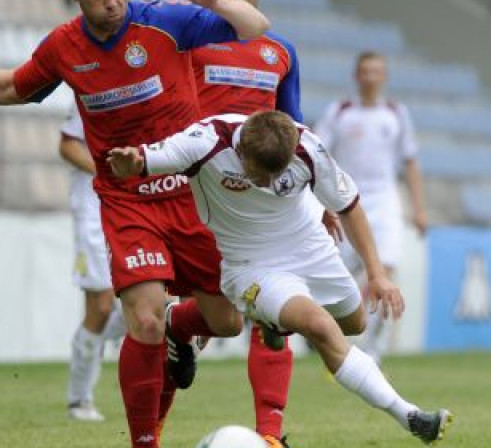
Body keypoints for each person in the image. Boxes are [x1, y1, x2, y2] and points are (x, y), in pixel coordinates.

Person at [0, 1, 270, 446]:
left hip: (189, 192)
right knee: (144, 322)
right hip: (128, 203)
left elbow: (254, 26)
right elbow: (12, 89)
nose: (113, 2)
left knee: (227, 322)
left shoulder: (164, 21)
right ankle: (144, 441)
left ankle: (180, 325)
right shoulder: (65, 45)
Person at [107, 110, 453, 445]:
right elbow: (145, 159)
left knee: (354, 323)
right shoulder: (206, 142)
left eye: (279, 174)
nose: (271, 183)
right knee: (319, 327)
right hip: (251, 264)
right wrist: (132, 163)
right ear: (241, 152)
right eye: (262, 175)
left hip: (309, 247)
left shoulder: (306, 147)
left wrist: (377, 275)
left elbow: (350, 206)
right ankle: (410, 415)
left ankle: (193, 321)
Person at [189, 13, 301, 447]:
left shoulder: (281, 51)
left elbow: (295, 128)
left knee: (270, 316)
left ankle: (270, 438)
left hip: (261, 203)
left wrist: (315, 196)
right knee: (218, 319)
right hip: (200, 197)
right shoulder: (188, 39)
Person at [314, 51, 427, 365]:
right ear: (356, 75)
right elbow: (317, 154)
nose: (371, 77)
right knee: (341, 276)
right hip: (347, 200)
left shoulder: (396, 113)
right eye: (366, 71)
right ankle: (333, 338)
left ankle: (370, 347)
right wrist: (322, 202)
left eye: (377, 71)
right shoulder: (339, 112)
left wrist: (419, 208)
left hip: (385, 202)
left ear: (384, 76)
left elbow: (411, 161)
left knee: (384, 271)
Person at [59, 105, 127, 422]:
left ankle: (93, 343)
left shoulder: (150, 85)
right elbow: (68, 144)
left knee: (153, 302)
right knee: (100, 306)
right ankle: (79, 400)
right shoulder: (92, 88)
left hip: (134, 207)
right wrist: (105, 172)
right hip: (93, 209)